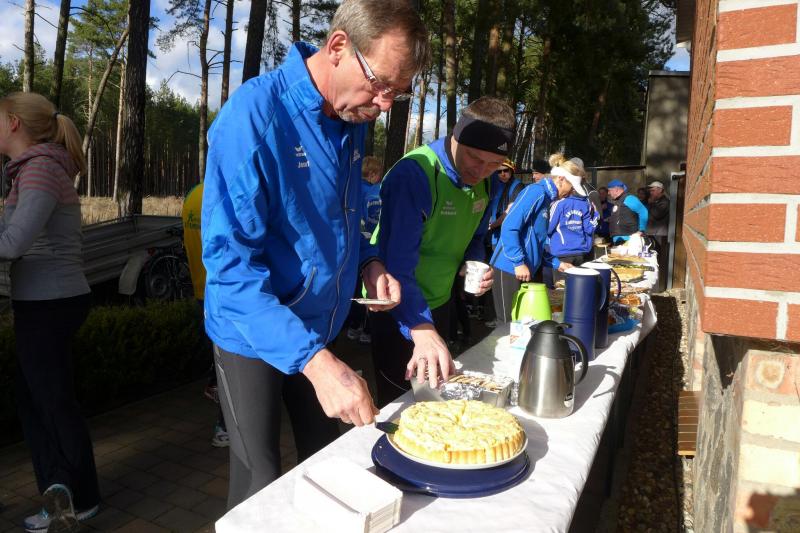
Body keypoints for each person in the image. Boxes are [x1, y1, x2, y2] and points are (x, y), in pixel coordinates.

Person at [202, 0, 428, 508]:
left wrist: (368, 263)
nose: (385, 104)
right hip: (250, 333)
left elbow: (343, 217)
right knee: (260, 483)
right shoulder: (254, 118)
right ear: (338, 46)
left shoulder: (352, 112)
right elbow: (229, 270)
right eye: (381, 83)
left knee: (329, 461)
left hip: (319, 325)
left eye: (399, 92)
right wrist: (315, 363)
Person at [0, 92, 100, 532]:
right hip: (43, 301)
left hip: (50, 303)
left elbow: (13, 244)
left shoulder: (40, 168)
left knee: (52, 405)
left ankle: (78, 498)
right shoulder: (28, 170)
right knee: (38, 402)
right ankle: (63, 491)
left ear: (15, 123)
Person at [369, 96, 507, 407]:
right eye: (474, 158)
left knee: (434, 398)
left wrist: (474, 262)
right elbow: (396, 265)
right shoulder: (415, 174)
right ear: (455, 135)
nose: (481, 171)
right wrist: (421, 326)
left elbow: (477, 236)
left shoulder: (487, 183)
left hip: (440, 302)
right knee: (402, 405)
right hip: (397, 306)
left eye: (493, 164)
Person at [491, 154, 586, 322]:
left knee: (524, 322)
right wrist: (518, 262)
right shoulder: (536, 192)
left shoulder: (548, 198)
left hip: (524, 269)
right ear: (561, 179)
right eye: (572, 187)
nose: (572, 192)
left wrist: (557, 263)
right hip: (509, 267)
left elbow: (536, 241)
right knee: (509, 324)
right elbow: (509, 226)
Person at [181, 182, 229, 448]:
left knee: (216, 353)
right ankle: (224, 425)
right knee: (229, 363)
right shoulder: (224, 194)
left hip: (201, 288)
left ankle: (213, 384)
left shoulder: (192, 196)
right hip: (223, 292)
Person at [345, 155, 383, 344]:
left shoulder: (349, 187)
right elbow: (375, 220)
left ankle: (352, 326)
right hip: (369, 247)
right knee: (369, 288)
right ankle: (367, 330)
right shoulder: (375, 193)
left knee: (352, 287)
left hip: (349, 246)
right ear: (374, 174)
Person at [545, 155, 599, 285]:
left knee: (561, 288)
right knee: (580, 287)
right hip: (581, 252)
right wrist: (596, 214)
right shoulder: (585, 203)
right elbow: (589, 228)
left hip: (561, 253)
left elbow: (548, 228)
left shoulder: (559, 204)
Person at [485, 158, 524, 327]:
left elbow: (510, 213)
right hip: (494, 237)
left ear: (512, 171)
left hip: (506, 239)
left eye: (505, 171)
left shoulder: (517, 187)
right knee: (493, 277)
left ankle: (508, 320)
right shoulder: (496, 186)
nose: (502, 174)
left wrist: (491, 226)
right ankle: (498, 315)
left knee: (506, 280)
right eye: (499, 171)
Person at [606, 179, 649, 244]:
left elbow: (643, 211)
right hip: (619, 238)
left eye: (609, 190)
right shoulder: (619, 200)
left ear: (616, 190)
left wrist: (641, 230)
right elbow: (622, 216)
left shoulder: (629, 198)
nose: (608, 193)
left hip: (629, 239)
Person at [646, 180, 670, 289]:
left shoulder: (665, 202)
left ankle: (659, 285)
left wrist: (650, 204)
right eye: (650, 190)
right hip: (653, 234)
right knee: (653, 259)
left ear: (660, 190)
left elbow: (657, 214)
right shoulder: (656, 202)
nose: (651, 193)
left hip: (660, 236)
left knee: (659, 260)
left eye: (653, 190)